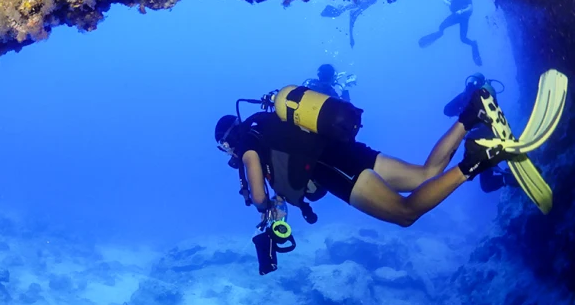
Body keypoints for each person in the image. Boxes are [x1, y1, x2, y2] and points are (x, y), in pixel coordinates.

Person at [215, 87, 511, 228]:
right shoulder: (266, 121)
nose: (229, 153)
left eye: (224, 147)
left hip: (330, 167)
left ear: (228, 140)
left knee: (404, 213)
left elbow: (256, 192)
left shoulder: (246, 142)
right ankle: (473, 113)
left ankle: (476, 160)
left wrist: (266, 206)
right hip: (342, 150)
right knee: (425, 174)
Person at [444, 73, 517, 193]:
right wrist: (463, 100)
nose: (472, 85)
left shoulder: (485, 95)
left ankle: (505, 169)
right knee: (486, 185)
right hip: (481, 141)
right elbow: (447, 110)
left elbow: (495, 117)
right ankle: (507, 178)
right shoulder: (465, 97)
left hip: (487, 139)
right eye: (471, 82)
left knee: (481, 178)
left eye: (475, 82)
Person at [418, 0, 481, 66]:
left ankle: (473, 44)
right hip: (456, 16)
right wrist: (448, 2)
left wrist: (462, 11)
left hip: (464, 18)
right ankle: (437, 35)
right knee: (441, 27)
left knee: (463, 38)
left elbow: (470, 8)